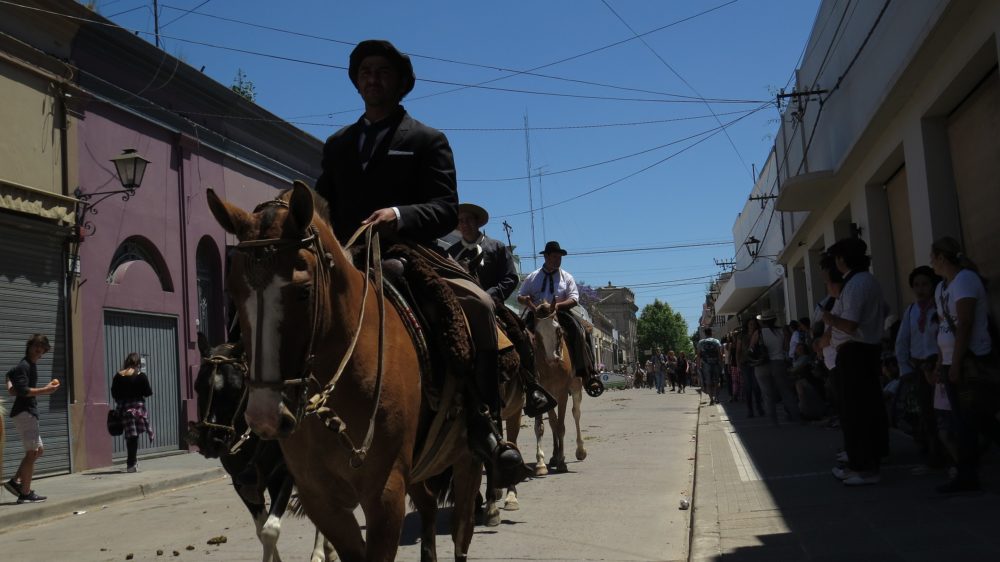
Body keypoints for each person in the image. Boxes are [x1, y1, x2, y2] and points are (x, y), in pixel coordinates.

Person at [313, 39, 527, 487]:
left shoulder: (428, 140)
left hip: (408, 252)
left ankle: (484, 424)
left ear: (400, 83)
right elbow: (323, 201)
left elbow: (446, 208)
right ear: (356, 81)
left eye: (382, 71)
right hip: (348, 255)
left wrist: (399, 215)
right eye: (365, 71)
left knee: (481, 308)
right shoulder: (337, 145)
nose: (373, 78)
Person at [447, 202, 554, 417]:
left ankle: (532, 388)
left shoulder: (496, 247)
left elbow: (511, 278)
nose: (465, 224)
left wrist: (491, 294)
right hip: (461, 306)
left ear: (477, 222)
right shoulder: (452, 253)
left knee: (522, 335)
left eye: (469, 220)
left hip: (492, 305)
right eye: (461, 221)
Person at [930, 236, 1000, 493]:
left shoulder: (966, 280)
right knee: (971, 419)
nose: (932, 263)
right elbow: (943, 327)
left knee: (970, 420)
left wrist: (956, 362)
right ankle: (967, 473)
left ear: (941, 257)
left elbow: (965, 323)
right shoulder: (942, 288)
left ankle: (967, 475)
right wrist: (941, 361)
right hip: (951, 361)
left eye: (933, 257)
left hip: (970, 360)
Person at [823, 238, 888, 487]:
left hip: (856, 352)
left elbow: (850, 325)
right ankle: (863, 462)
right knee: (861, 410)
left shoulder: (857, 283)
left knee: (857, 412)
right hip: (860, 351)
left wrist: (830, 319)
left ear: (842, 259)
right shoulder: (864, 281)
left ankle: (865, 467)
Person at [517, 240, 603, 396]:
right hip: (537, 314)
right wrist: (528, 302)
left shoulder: (566, 277)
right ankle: (522, 376)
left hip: (560, 313)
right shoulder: (533, 277)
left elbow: (574, 299)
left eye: (560, 257)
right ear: (546, 257)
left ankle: (588, 373)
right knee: (519, 335)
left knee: (581, 331)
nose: (558, 260)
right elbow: (520, 296)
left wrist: (556, 306)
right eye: (555, 257)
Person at [894, 266, 943, 470]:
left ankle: (947, 455)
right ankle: (933, 453)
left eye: (924, 284)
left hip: (939, 367)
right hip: (919, 369)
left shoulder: (940, 308)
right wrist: (905, 368)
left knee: (943, 415)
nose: (920, 289)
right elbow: (902, 341)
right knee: (926, 413)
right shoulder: (912, 310)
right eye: (916, 285)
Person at [4, 334, 60, 503]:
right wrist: (46, 390)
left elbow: (9, 374)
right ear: (29, 346)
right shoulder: (25, 366)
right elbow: (25, 391)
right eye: (37, 346)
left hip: (28, 412)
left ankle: (15, 482)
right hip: (25, 412)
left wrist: (11, 388)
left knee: (38, 451)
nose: (39, 350)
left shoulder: (28, 365)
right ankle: (25, 493)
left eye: (42, 348)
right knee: (32, 452)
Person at [751, 310, 801, 426]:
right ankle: (797, 418)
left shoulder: (758, 333)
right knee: (786, 392)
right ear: (774, 320)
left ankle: (773, 422)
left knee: (767, 394)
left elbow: (751, 349)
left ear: (762, 321)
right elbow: (786, 347)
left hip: (762, 365)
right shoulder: (782, 331)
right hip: (778, 363)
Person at [111, 353, 154, 472]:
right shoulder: (141, 376)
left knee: (130, 435)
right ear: (138, 363)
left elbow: (114, 393)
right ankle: (131, 464)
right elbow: (148, 392)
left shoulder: (118, 376)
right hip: (138, 409)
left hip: (124, 409)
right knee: (134, 436)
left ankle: (132, 462)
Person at [738, 319, 765, 418]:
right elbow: (738, 350)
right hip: (745, 363)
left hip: (757, 363)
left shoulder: (760, 334)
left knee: (757, 387)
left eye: (754, 324)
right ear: (747, 325)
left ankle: (759, 407)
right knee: (748, 387)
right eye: (750, 324)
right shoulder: (742, 336)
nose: (752, 325)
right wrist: (738, 364)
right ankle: (750, 409)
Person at [697, 328, 724, 405]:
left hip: (706, 364)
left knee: (708, 382)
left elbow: (698, 355)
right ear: (711, 333)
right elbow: (720, 354)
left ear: (705, 333)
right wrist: (721, 364)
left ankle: (711, 399)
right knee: (717, 381)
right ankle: (717, 398)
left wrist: (698, 366)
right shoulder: (716, 341)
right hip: (716, 363)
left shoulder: (700, 342)